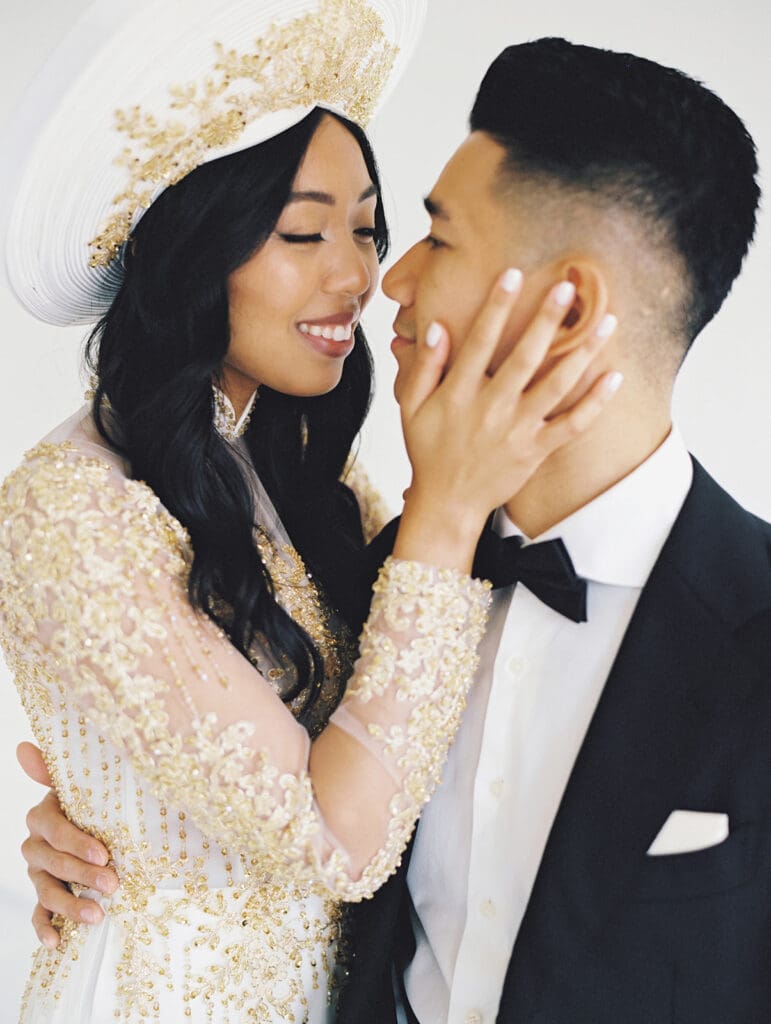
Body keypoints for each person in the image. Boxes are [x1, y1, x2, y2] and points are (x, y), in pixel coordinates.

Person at [23, 34, 765, 1024]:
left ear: (570, 305)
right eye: (309, 233)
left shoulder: (361, 526)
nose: (384, 278)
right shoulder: (406, 564)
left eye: (426, 237)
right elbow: (312, 809)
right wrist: (126, 822)